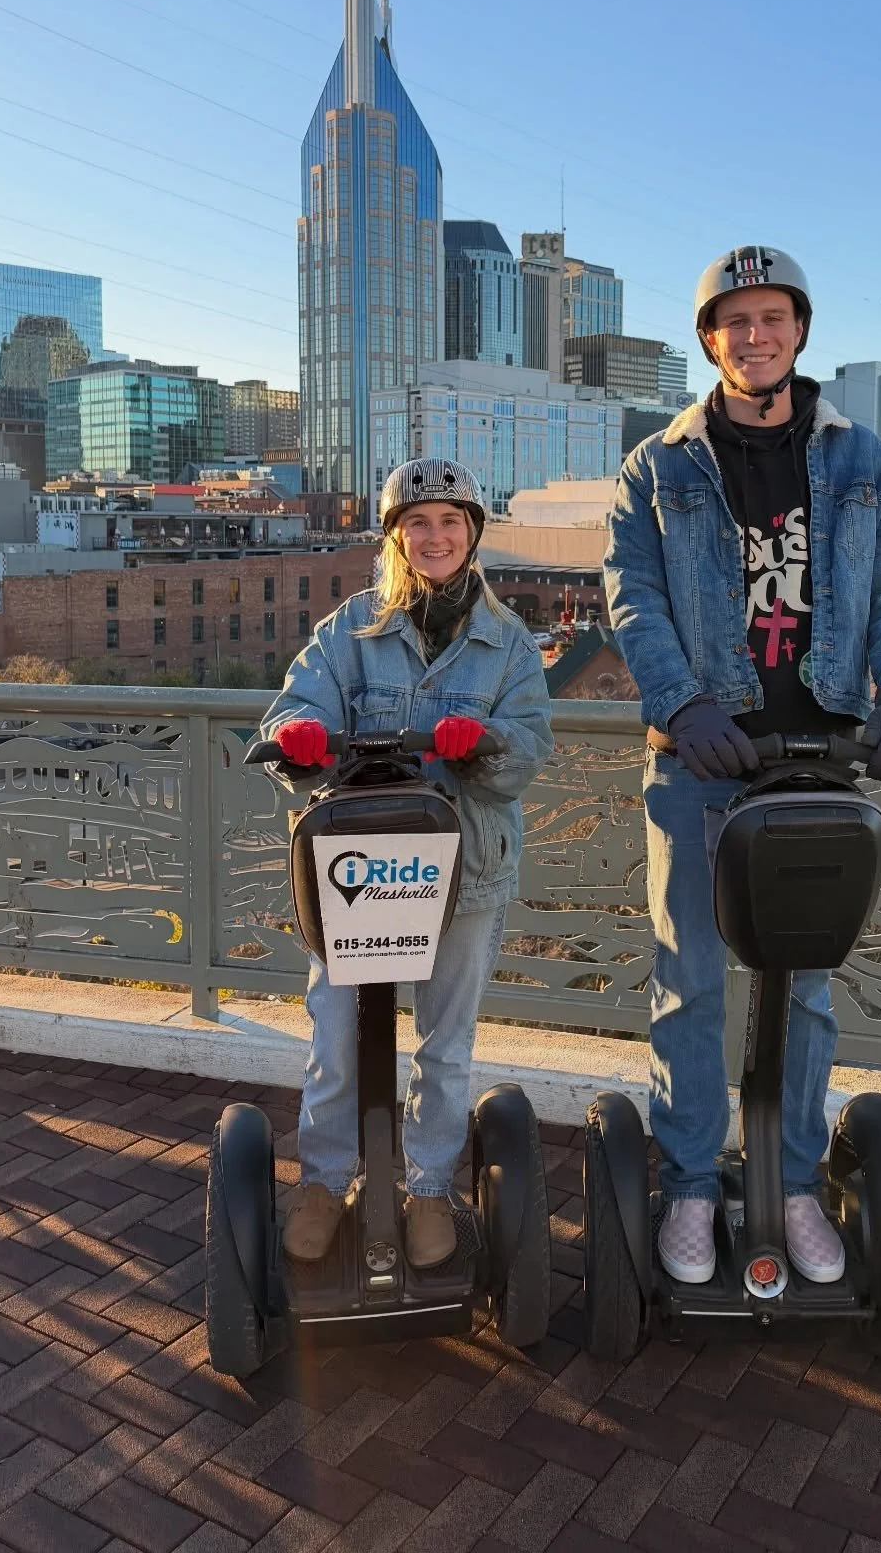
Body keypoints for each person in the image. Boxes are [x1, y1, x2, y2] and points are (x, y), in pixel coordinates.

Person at [605, 244, 881, 1288]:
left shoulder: (861, 461)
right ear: (710, 340)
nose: (755, 337)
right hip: (703, 759)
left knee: (803, 993)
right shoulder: (657, 466)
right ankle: (695, 1188)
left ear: (800, 331)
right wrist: (682, 702)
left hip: (821, 759)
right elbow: (634, 599)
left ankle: (793, 1184)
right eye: (733, 322)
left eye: (773, 319)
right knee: (691, 984)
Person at [262, 459, 553, 1270]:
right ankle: (325, 1179)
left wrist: (485, 744)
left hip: (464, 873)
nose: (435, 537)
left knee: (444, 1042)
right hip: (359, 871)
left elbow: (529, 749)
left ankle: (426, 1184)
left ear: (472, 534)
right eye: (417, 523)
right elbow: (300, 705)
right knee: (338, 1033)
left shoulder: (508, 642)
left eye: (450, 522)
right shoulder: (351, 629)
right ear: (395, 535)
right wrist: (299, 736)